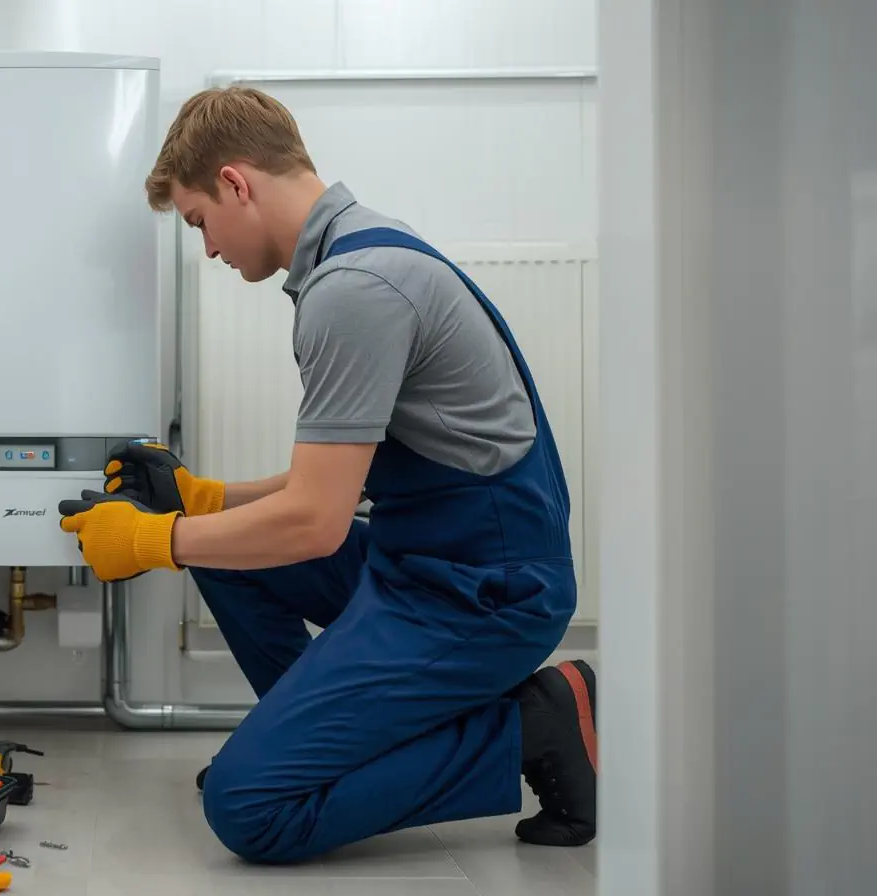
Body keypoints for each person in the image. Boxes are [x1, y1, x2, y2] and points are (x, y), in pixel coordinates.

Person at [55, 86, 598, 863]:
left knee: (250, 808)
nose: (207, 249)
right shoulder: (368, 246)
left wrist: (154, 539)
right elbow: (335, 482)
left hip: (482, 600)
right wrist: (201, 501)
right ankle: (317, 750)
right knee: (227, 555)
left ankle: (531, 729)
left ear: (237, 182)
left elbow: (315, 523)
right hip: (425, 568)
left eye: (200, 221)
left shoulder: (354, 290)